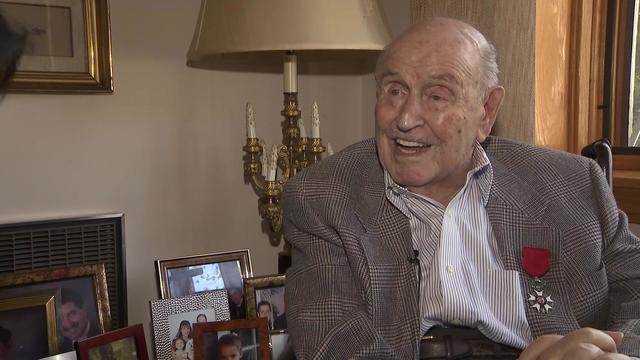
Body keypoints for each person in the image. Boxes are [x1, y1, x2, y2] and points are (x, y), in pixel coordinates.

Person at [283, 17, 640, 359]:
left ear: (486, 111)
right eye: (395, 91)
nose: (405, 119)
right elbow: (335, 344)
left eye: (436, 96)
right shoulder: (322, 197)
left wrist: (618, 353)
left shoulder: (572, 182)